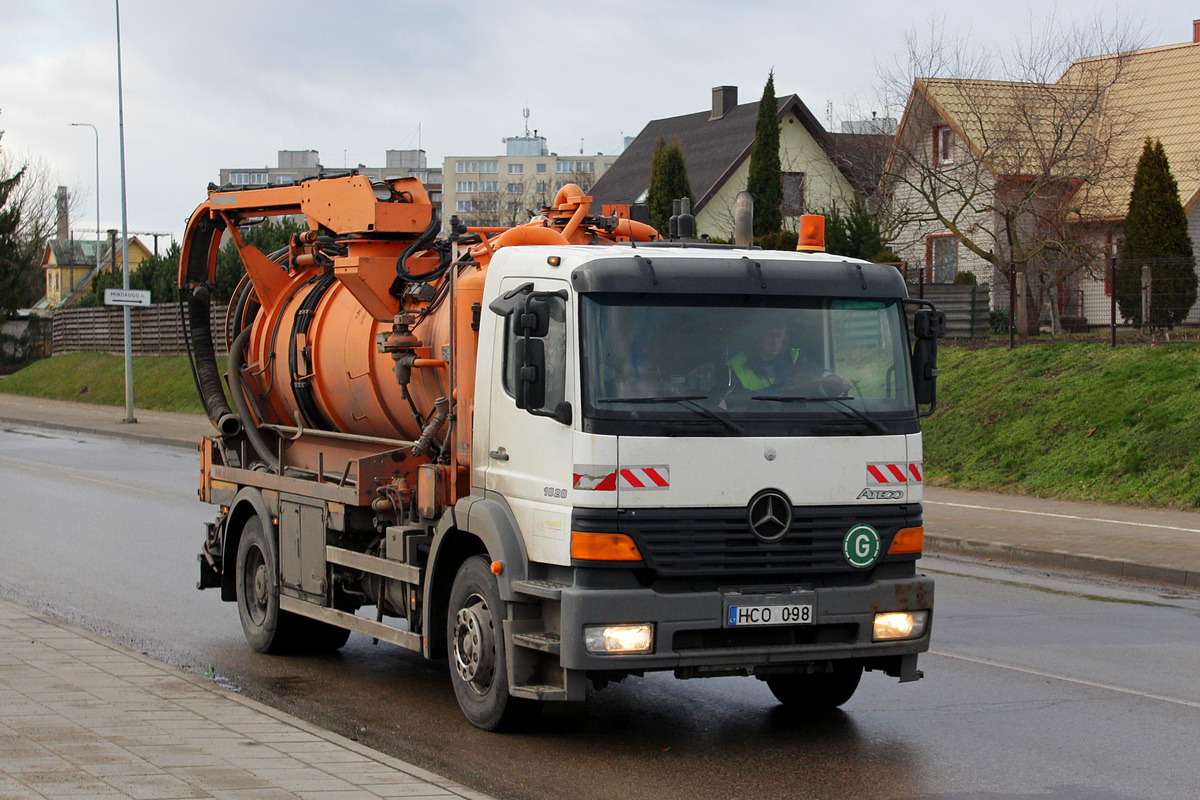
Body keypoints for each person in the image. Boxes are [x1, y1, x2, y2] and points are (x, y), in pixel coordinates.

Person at [728, 320, 851, 394]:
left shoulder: (794, 357)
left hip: (792, 417)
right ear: (758, 337)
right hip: (752, 422)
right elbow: (737, 401)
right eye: (769, 335)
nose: (775, 341)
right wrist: (782, 393)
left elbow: (814, 372)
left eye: (779, 335)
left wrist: (833, 379)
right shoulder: (735, 365)